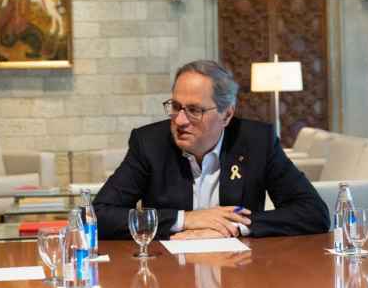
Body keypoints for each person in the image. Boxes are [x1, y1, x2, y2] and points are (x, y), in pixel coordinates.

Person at [94, 60, 330, 240]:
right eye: (175, 107)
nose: (180, 121)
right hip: (170, 276)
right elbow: (98, 215)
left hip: (239, 276)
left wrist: (234, 226)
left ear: (226, 114)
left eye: (194, 110)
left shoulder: (257, 141)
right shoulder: (149, 143)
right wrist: (185, 220)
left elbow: (314, 213)